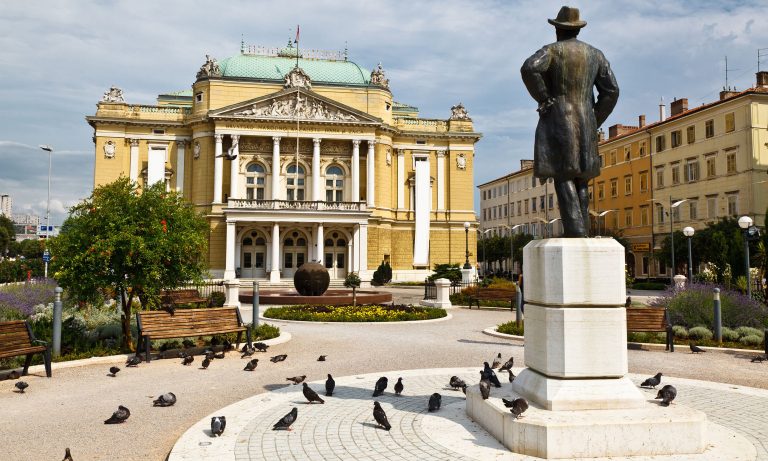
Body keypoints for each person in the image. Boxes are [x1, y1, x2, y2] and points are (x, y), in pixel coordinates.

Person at [521, 6, 619, 237]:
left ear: (557, 29)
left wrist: (544, 97)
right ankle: (581, 231)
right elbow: (612, 91)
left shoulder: (552, 51)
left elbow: (529, 68)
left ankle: (575, 232)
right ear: (577, 30)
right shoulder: (596, 55)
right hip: (586, 121)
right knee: (581, 177)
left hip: (559, 118)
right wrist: (595, 118)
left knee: (563, 174)